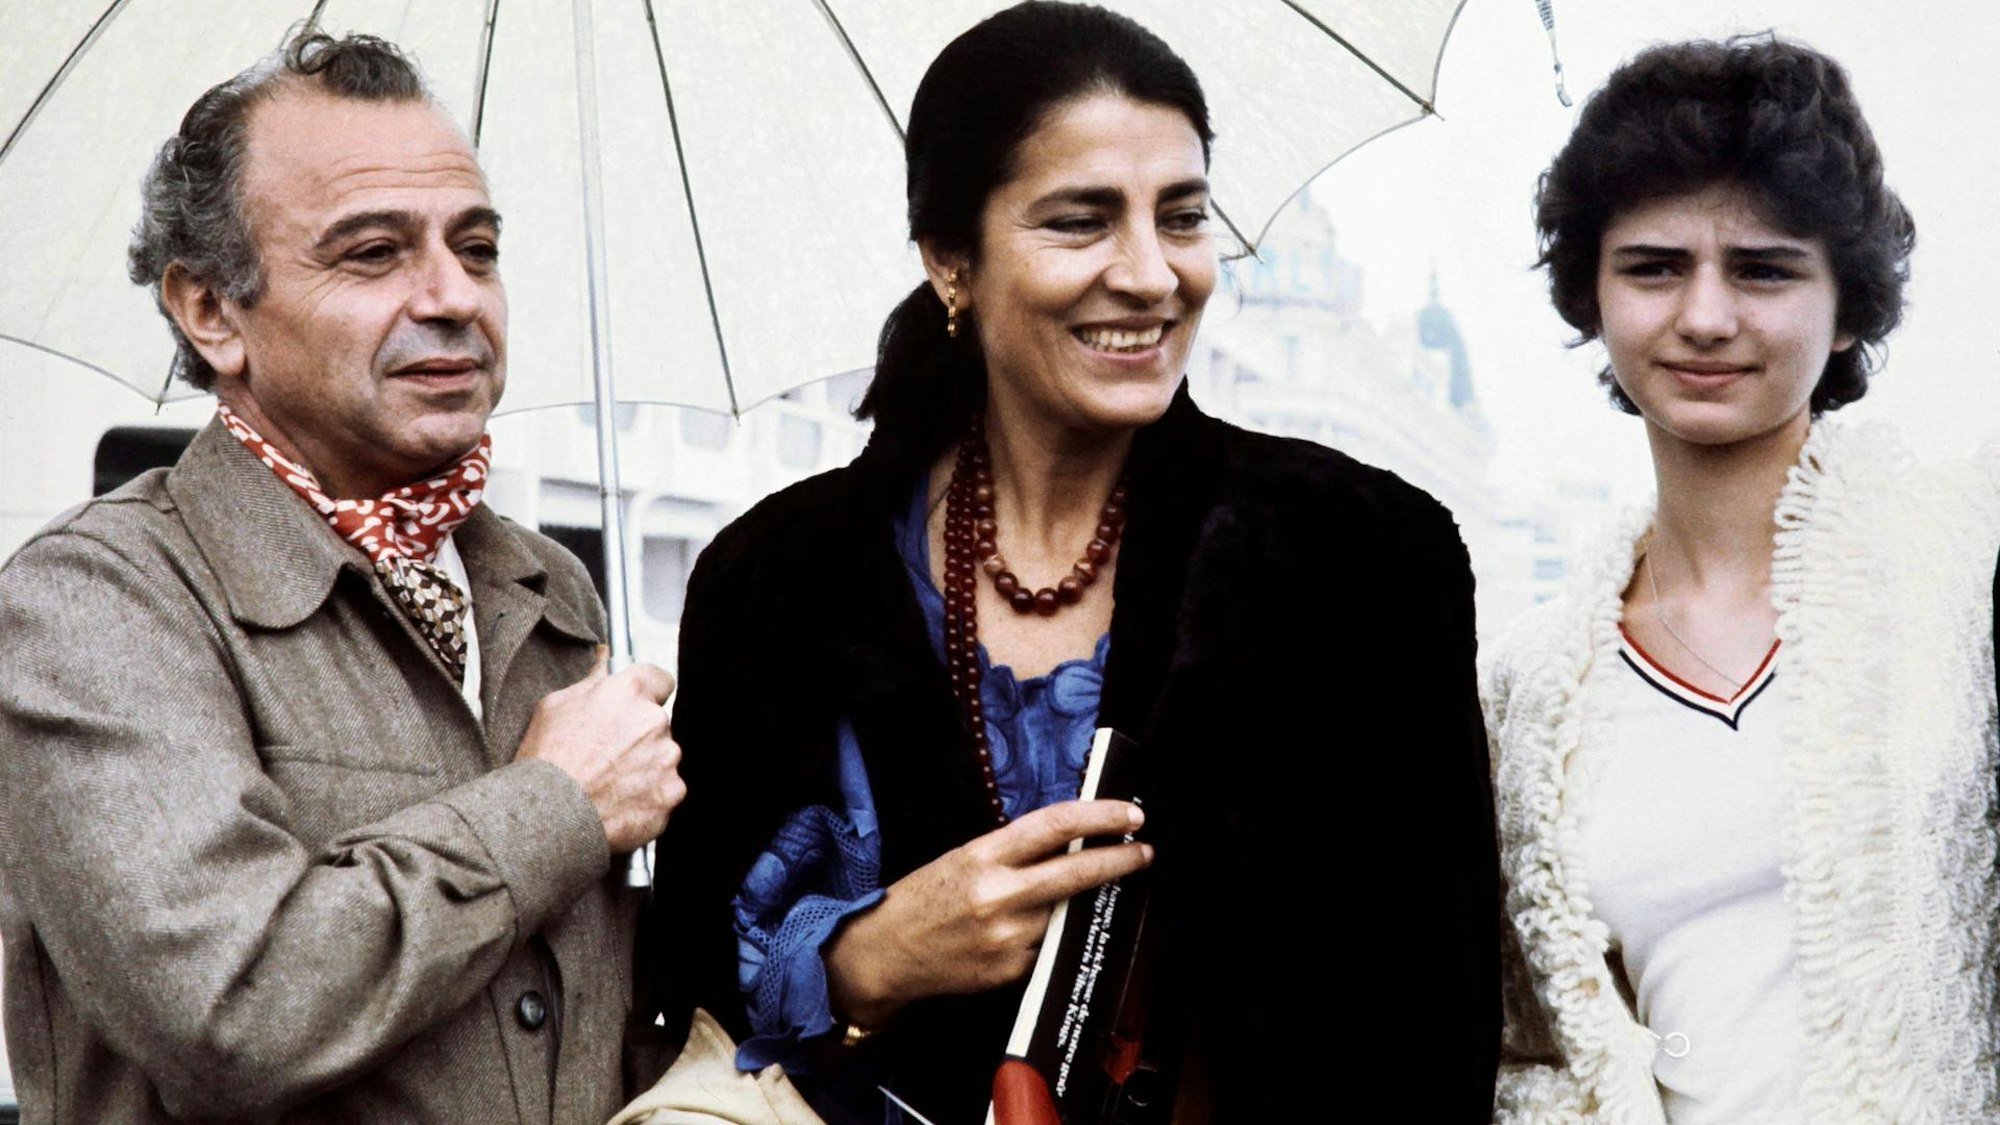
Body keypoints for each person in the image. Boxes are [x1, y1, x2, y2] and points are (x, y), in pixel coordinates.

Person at [653, 3, 1502, 1122]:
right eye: (1080, 221)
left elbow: (1433, 1026)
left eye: (1182, 217)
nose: (1151, 275)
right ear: (951, 258)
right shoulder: (773, 578)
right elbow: (682, 979)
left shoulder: (1358, 558)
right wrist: (869, 957)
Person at [0, 31, 685, 1123]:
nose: (453, 295)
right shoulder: (97, 601)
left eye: (478, 247)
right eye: (372, 253)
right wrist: (556, 806)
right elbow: (230, 1006)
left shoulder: (546, 588)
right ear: (210, 311)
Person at [1485, 36, 2000, 1122]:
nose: (1705, 317)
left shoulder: (1963, 574)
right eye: (1652, 266)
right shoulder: (1528, 690)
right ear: (1590, 297)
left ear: (1847, 305)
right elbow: (1530, 1046)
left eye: (1762, 268)